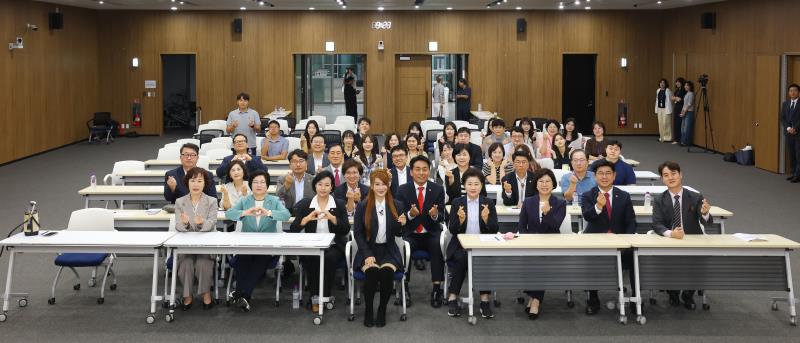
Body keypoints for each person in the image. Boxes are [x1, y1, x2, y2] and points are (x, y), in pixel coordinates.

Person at [225, 170, 291, 312]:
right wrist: (245, 212)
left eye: (262, 182)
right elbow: (229, 213)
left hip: (267, 246)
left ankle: (241, 294)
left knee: (260, 261)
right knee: (242, 261)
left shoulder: (273, 201)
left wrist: (269, 213)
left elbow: (286, 215)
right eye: (255, 182)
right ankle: (243, 296)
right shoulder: (245, 200)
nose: (259, 185)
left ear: (267, 185)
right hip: (247, 244)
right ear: (251, 185)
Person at [651, 161, 713, 309]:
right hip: (670, 241)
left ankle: (688, 294)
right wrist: (671, 234)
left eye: (673, 174)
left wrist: (705, 213)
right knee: (670, 262)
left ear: (681, 174)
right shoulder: (660, 199)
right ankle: (673, 292)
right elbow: (657, 224)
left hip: (692, 239)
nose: (670, 177)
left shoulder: (695, 196)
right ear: (662, 179)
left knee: (696, 262)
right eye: (666, 175)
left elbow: (708, 222)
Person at [580, 159, 637, 315]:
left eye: (607, 173)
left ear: (614, 176)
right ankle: (593, 298)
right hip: (596, 242)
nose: (604, 177)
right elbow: (587, 216)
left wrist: (625, 240)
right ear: (595, 176)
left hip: (621, 244)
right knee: (590, 257)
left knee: (635, 256)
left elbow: (631, 222)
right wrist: (598, 206)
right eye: (600, 173)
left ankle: (634, 298)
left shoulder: (624, 196)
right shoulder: (588, 195)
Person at [289, 171, 350, 312]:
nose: (323, 188)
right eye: (320, 184)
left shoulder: (339, 204)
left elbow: (345, 229)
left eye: (327, 185)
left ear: (332, 187)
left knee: (328, 259)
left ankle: (325, 296)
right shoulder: (306, 204)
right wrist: (306, 219)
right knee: (313, 259)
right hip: (312, 245)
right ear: (315, 186)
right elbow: (294, 229)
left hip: (334, 245)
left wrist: (333, 218)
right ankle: (314, 297)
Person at [353, 169, 408, 327]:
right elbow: (358, 233)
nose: (381, 187)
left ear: (389, 185)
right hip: (368, 250)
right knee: (371, 272)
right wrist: (367, 253)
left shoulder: (397, 205)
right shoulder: (363, 206)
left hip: (389, 250)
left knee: (385, 273)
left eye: (384, 184)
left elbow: (398, 233)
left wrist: (402, 225)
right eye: (377, 184)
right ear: (371, 186)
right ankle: (368, 310)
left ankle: (382, 309)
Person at [446, 168, 498, 318]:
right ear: (464, 185)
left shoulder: (488, 203)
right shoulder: (457, 202)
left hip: (482, 245)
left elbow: (494, 229)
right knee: (463, 257)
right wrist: (461, 220)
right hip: (460, 245)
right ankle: (453, 297)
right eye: (470, 184)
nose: (473, 187)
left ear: (482, 185)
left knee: (482, 258)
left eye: (476, 184)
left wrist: (487, 219)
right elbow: (453, 230)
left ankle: (484, 300)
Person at [515, 168, 566, 320]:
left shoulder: (559, 203)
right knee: (534, 261)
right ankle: (534, 297)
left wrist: (547, 213)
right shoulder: (529, 202)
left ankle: (535, 300)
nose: (544, 184)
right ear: (536, 185)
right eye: (541, 181)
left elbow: (555, 226)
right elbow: (522, 226)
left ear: (553, 184)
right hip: (531, 243)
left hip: (551, 244)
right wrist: (526, 242)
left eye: (548, 181)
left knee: (541, 262)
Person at [396, 155, 446, 308]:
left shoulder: (437, 189)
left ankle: (437, 288)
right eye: (417, 169)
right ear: (411, 172)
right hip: (411, 233)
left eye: (425, 169)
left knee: (437, 243)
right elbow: (399, 216)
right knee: (405, 246)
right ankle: (405, 287)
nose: (421, 173)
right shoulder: (403, 190)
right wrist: (411, 214)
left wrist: (435, 215)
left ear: (429, 171)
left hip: (430, 231)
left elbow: (442, 214)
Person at [174, 167, 219, 311]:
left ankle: (206, 295)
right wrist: (186, 224)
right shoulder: (180, 202)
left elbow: (212, 224)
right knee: (185, 263)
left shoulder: (211, 201)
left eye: (200, 181)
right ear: (187, 183)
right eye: (192, 180)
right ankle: (187, 296)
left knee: (202, 263)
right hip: (186, 245)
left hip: (205, 244)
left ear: (205, 183)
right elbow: (178, 225)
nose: (196, 184)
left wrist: (201, 224)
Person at [277, 149, 314, 214]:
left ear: (306, 163)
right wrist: (286, 185)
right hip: (289, 213)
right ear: (290, 165)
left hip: (308, 214)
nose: (298, 165)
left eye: (301, 161)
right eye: (294, 161)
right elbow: (278, 196)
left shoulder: (313, 180)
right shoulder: (282, 179)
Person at [781, 84, 800, 183]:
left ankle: (798, 175)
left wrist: (795, 128)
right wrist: (788, 128)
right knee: (791, 154)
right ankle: (793, 173)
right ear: (788, 93)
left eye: (795, 90)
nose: (792, 92)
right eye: (791, 91)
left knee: (798, 155)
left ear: (798, 92)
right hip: (788, 133)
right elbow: (783, 118)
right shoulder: (785, 104)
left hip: (798, 133)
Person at [654, 78, 674, 143]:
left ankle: (667, 137)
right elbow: (657, 100)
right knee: (660, 123)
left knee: (666, 123)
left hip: (666, 109)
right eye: (661, 83)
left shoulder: (668, 90)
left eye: (663, 83)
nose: (662, 84)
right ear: (659, 84)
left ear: (665, 84)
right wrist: (656, 109)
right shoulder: (658, 90)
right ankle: (662, 137)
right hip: (660, 109)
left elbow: (671, 98)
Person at [679, 81, 696, 147]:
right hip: (685, 111)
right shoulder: (686, 94)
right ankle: (682, 141)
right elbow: (684, 104)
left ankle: (686, 142)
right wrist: (682, 112)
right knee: (682, 127)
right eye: (685, 85)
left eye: (687, 85)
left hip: (689, 112)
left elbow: (689, 104)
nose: (685, 86)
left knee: (687, 128)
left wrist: (684, 112)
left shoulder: (691, 94)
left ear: (690, 86)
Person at [671, 78, 687, 145]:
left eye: (678, 82)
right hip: (676, 107)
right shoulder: (677, 90)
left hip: (681, 107)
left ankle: (680, 139)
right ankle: (676, 139)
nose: (677, 83)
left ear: (682, 83)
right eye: (676, 82)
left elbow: (683, 100)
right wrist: (675, 98)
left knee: (680, 123)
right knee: (676, 123)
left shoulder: (684, 90)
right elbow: (673, 98)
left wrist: (679, 99)